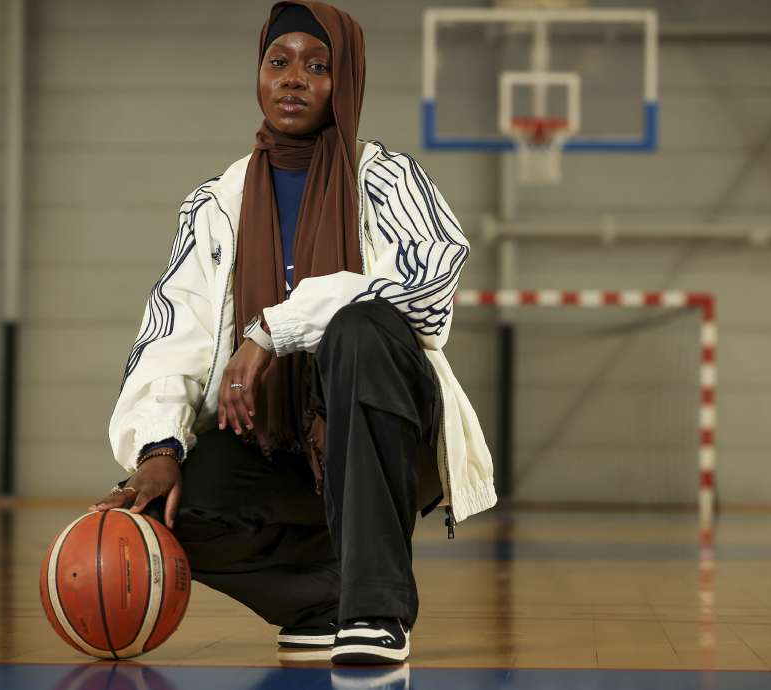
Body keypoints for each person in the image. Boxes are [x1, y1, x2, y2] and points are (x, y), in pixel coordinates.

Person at [91, 0, 494, 665]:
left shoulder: (387, 179)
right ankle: (320, 600)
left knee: (362, 330)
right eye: (278, 62)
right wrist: (157, 446)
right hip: (272, 445)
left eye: (317, 65)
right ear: (258, 75)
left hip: (392, 436)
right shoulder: (218, 201)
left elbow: (426, 290)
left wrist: (275, 329)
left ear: (348, 82)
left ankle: (376, 608)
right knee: (166, 511)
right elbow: (172, 330)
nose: (293, 79)